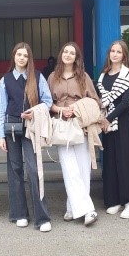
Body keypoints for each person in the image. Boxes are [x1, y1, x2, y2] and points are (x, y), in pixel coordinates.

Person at [0, 42, 53, 232]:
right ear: (14, 57)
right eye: (19, 55)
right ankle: (19, 213)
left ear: (29, 58)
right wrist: (1, 135)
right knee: (15, 170)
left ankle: (42, 218)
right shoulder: (5, 80)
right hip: (11, 127)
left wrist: (34, 111)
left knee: (34, 170)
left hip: (31, 127)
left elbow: (48, 101)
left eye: (25, 55)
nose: (22, 58)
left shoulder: (38, 77)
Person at [48, 42, 100, 226]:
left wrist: (76, 108)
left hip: (80, 125)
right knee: (69, 169)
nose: (68, 55)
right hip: (62, 125)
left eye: (72, 53)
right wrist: (61, 110)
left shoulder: (83, 77)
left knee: (83, 167)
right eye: (65, 52)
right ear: (61, 54)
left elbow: (94, 100)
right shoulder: (53, 77)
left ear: (76, 57)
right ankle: (86, 209)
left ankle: (73, 208)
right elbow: (47, 102)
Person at [97, 40, 129, 219]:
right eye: (112, 51)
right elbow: (101, 99)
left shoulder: (127, 76)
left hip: (122, 123)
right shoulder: (103, 75)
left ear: (124, 56)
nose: (115, 54)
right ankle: (113, 200)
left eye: (118, 52)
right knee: (110, 162)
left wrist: (108, 118)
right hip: (107, 125)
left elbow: (125, 103)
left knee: (126, 162)